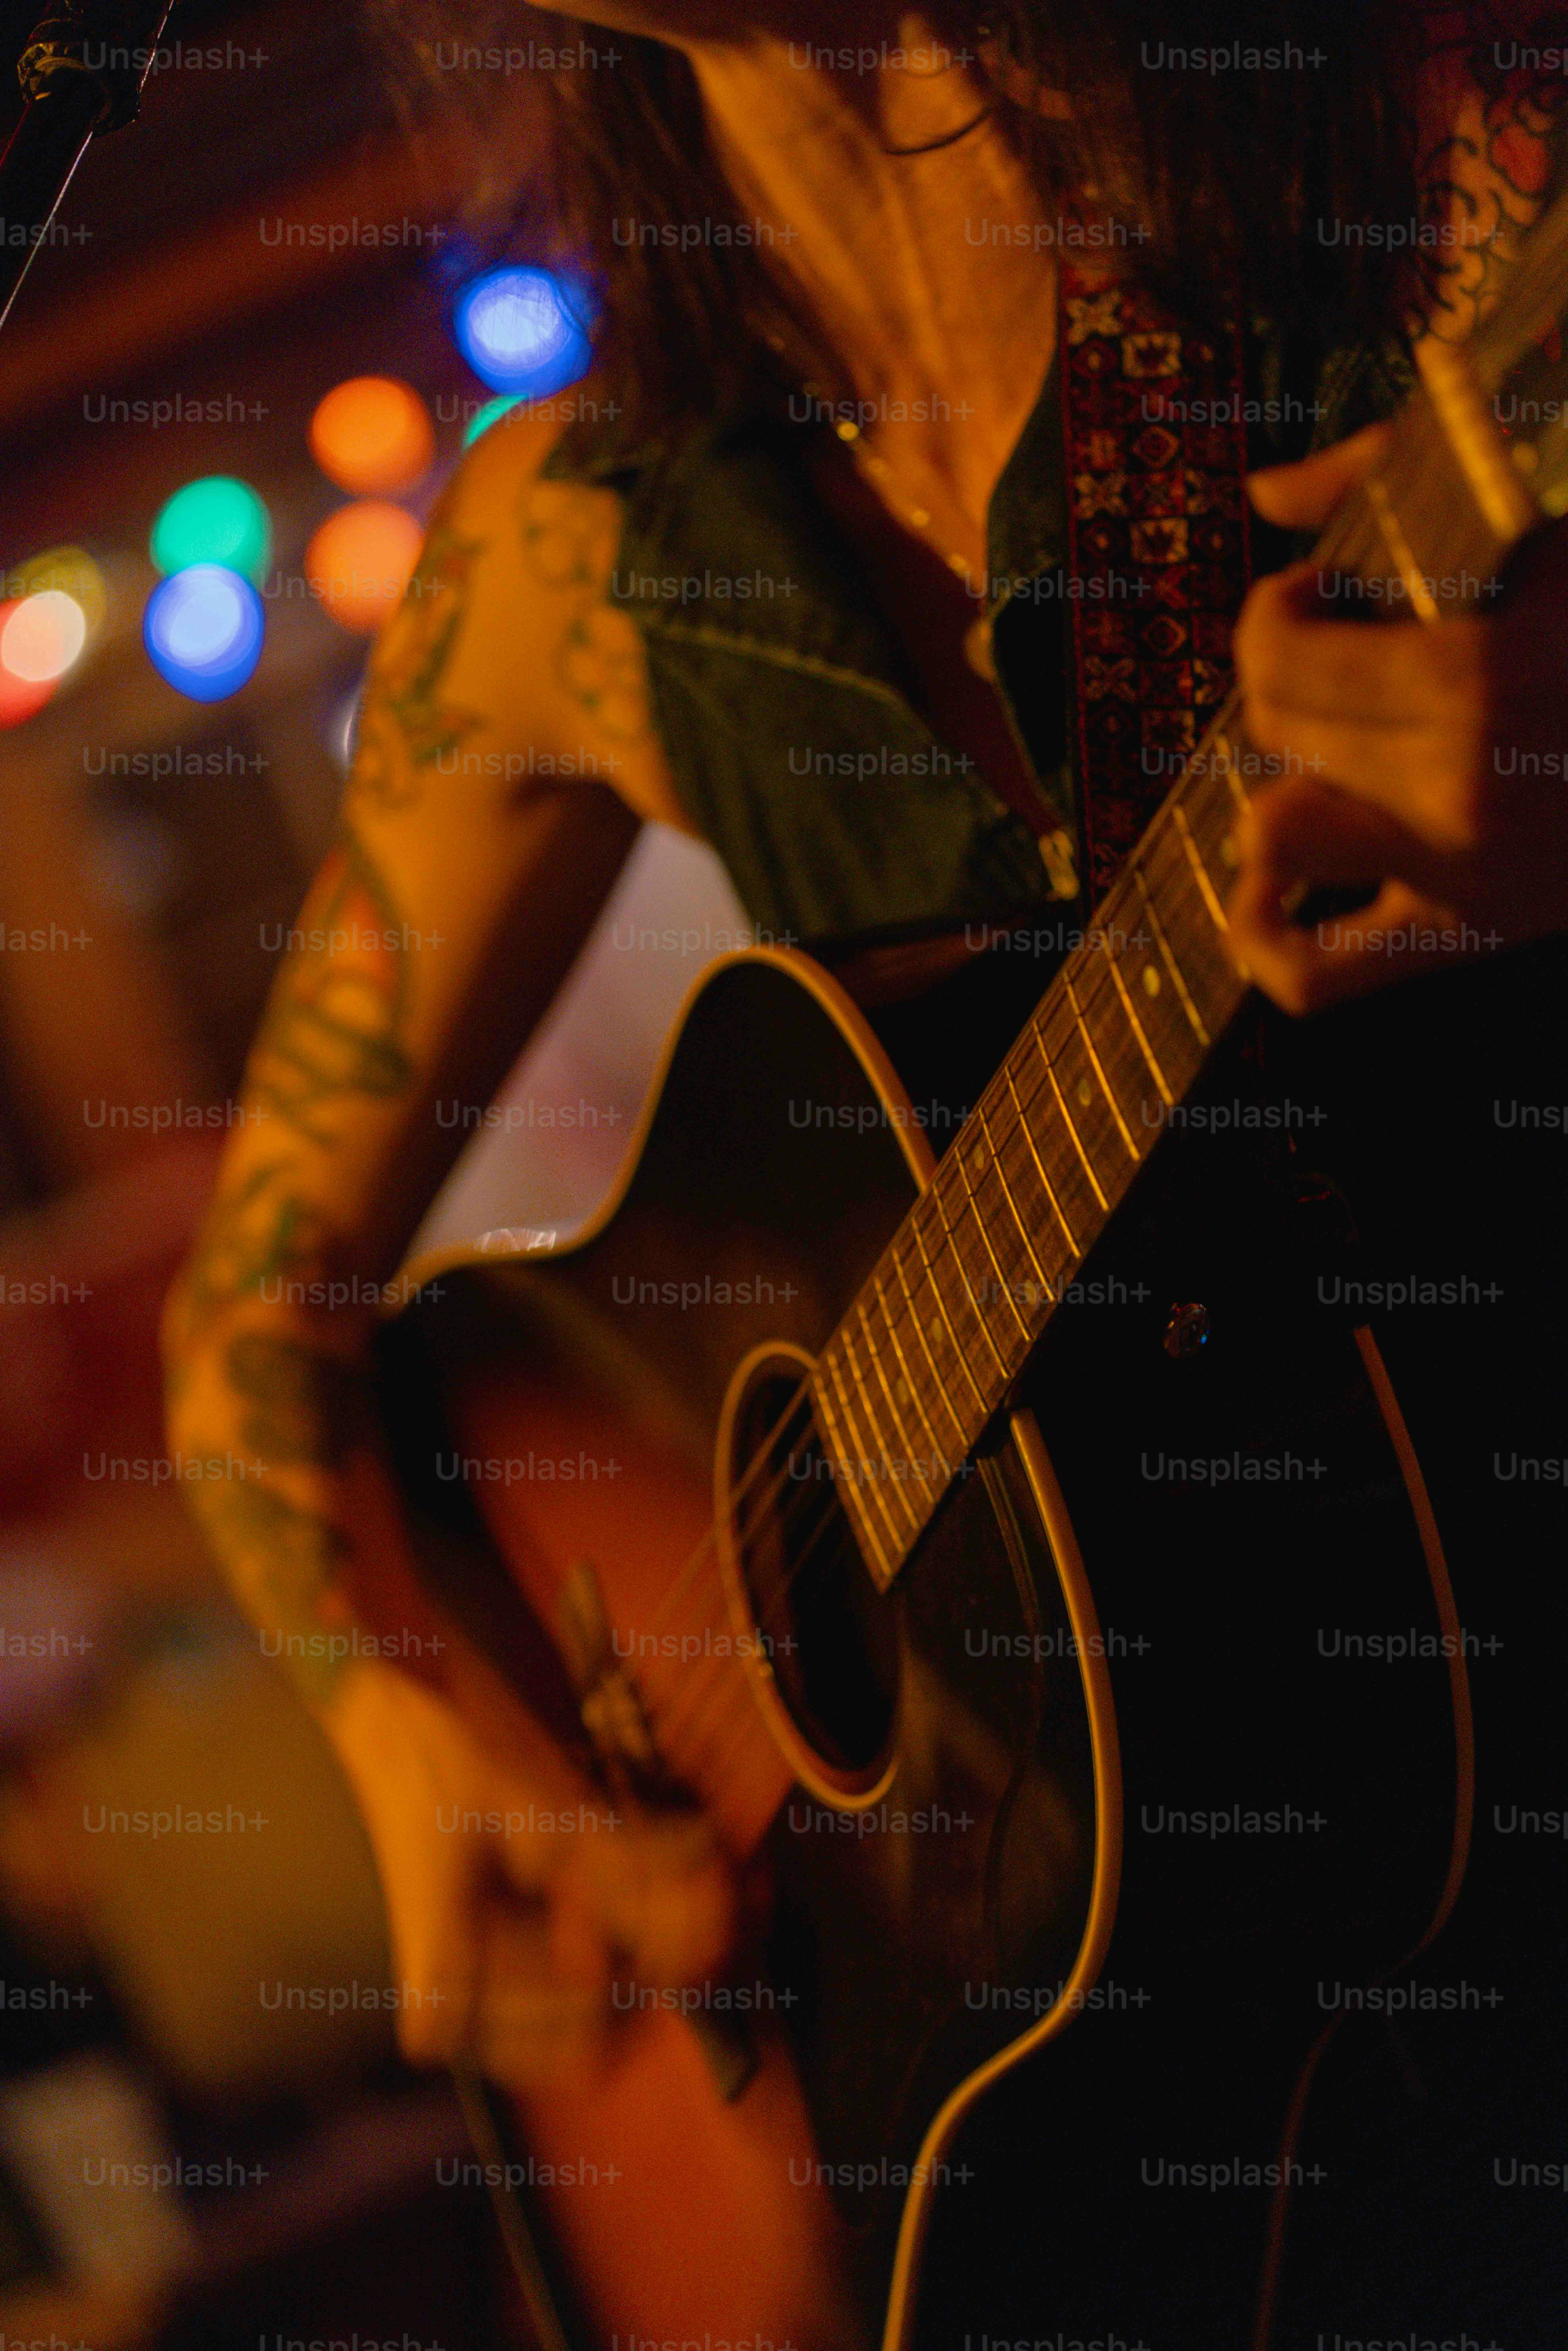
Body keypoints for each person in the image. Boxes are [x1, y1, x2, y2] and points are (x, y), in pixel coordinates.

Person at [163, 3, 1568, 2337]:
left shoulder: (1457, 178)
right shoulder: (580, 541)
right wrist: (418, 1733)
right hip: (1272, 2088)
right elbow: (249, 1322)